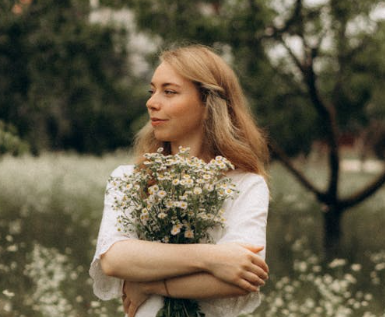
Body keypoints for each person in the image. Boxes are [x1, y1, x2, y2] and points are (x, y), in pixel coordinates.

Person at [90, 44, 270, 317]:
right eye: (152, 91)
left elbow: (242, 277)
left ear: (208, 105)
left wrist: (149, 283)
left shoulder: (245, 185)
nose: (152, 102)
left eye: (169, 91)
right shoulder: (129, 179)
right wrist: (215, 258)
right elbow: (115, 258)